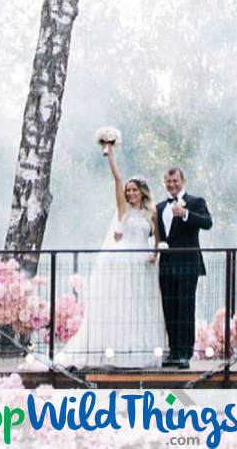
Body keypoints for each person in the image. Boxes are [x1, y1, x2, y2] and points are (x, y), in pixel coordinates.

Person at [60, 143, 167, 368]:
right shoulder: (124, 210)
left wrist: (155, 253)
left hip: (143, 262)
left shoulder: (152, 212)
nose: (129, 193)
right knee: (122, 303)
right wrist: (110, 155)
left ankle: (142, 349)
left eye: (133, 190)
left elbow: (157, 238)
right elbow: (117, 180)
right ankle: (116, 351)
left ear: (142, 192)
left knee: (143, 305)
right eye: (128, 190)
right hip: (124, 259)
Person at [156, 167, 213, 369]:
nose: (172, 184)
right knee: (169, 308)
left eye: (175, 181)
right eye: (168, 181)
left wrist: (186, 213)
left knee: (185, 309)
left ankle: (185, 353)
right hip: (166, 266)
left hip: (188, 265)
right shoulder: (159, 206)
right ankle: (173, 351)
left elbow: (207, 222)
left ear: (183, 180)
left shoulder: (196, 202)